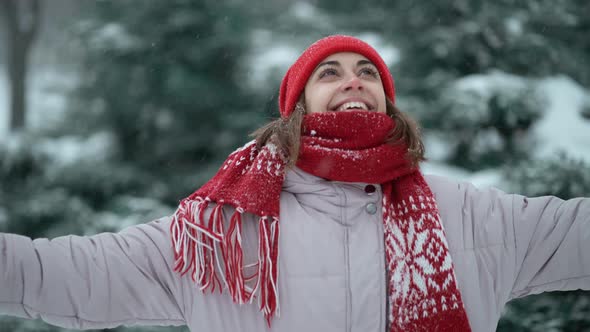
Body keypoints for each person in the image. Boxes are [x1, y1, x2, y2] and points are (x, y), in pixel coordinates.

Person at [1, 35, 589, 332]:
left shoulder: (473, 214)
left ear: (387, 100)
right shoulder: (220, 233)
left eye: (368, 73)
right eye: (329, 73)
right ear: (297, 108)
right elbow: (69, 274)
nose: (352, 81)